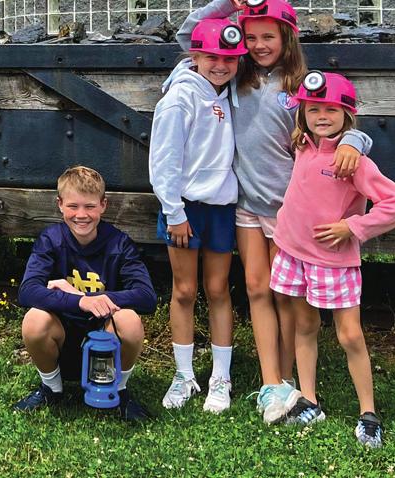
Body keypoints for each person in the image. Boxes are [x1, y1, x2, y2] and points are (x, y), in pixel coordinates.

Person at [176, 0, 373, 424]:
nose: (259, 45)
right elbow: (188, 36)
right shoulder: (235, 75)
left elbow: (338, 123)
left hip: (289, 211)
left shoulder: (300, 84)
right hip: (247, 203)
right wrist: (227, 4)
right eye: (251, 37)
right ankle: (270, 384)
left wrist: (355, 142)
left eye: (269, 36)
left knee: (287, 296)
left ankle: (289, 379)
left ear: (287, 37)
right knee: (256, 288)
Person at [270, 71, 395, 447]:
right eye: (313, 109)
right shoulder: (303, 144)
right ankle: (309, 400)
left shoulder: (354, 161)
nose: (322, 116)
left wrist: (354, 227)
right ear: (303, 114)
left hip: (332, 262)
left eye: (331, 110)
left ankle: (368, 413)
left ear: (346, 115)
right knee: (305, 326)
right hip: (293, 253)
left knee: (350, 335)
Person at [149, 18, 248, 414]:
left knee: (219, 289)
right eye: (211, 57)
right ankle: (184, 374)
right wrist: (174, 211)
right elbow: (163, 161)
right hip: (184, 209)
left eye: (229, 59)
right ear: (195, 55)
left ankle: (220, 378)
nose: (220, 65)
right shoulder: (179, 97)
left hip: (221, 207)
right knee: (184, 291)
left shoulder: (231, 92)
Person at [14, 166, 157, 421]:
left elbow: (147, 296)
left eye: (90, 206)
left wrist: (95, 299)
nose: (81, 215)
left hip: (104, 341)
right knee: (34, 319)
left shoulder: (119, 243)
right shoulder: (50, 240)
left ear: (103, 205)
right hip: (61, 340)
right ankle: (51, 388)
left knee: (130, 320)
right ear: (60, 205)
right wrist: (81, 301)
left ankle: (119, 391)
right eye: (73, 206)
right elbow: (27, 291)